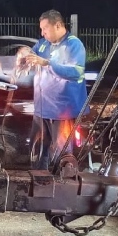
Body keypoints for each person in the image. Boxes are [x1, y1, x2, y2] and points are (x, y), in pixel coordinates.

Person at [20, 9, 88, 170]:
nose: (42, 33)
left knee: (61, 154)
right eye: (41, 29)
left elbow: (76, 72)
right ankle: (38, 178)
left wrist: (47, 63)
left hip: (62, 111)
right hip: (41, 109)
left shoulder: (73, 44)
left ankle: (61, 181)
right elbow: (31, 54)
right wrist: (25, 54)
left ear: (58, 25)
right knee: (37, 150)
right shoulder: (43, 44)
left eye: (45, 28)